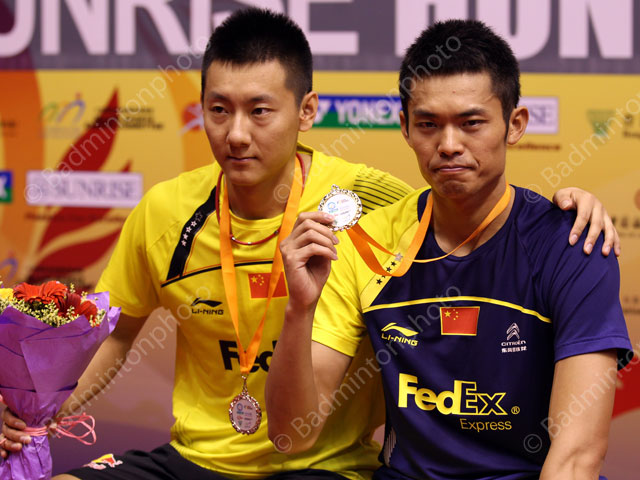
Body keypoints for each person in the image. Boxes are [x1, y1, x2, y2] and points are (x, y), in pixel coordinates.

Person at [0, 9, 619, 480]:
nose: (236, 134)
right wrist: (36, 410)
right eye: (218, 110)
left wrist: (564, 206)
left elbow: (461, 202)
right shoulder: (168, 211)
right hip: (197, 459)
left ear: (306, 111)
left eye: (260, 110)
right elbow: (114, 331)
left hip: (324, 468)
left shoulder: (367, 206)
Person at [266, 19, 632, 480]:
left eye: (471, 123)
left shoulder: (573, 243)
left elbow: (576, 457)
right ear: (405, 128)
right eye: (429, 125)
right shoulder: (364, 243)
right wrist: (299, 309)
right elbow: (290, 436)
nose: (449, 145)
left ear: (515, 124)